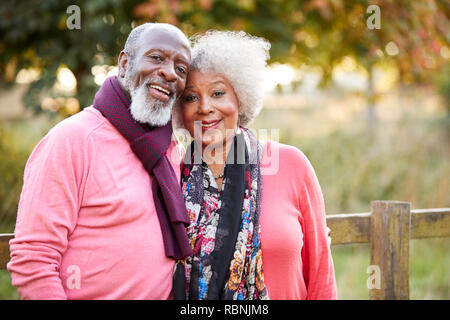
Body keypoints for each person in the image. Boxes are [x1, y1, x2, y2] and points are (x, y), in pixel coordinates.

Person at [7, 22, 193, 299]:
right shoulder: (73, 140)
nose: (169, 72)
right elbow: (33, 259)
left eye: (181, 69)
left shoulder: (171, 149)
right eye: (156, 58)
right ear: (124, 63)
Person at [172, 30, 337, 300]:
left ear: (240, 96)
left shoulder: (291, 165)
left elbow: (321, 278)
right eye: (191, 97)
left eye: (217, 92)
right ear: (179, 109)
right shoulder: (171, 175)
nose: (205, 107)